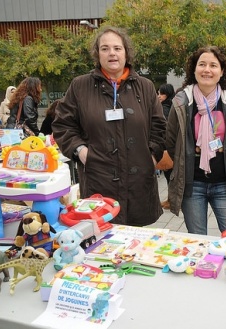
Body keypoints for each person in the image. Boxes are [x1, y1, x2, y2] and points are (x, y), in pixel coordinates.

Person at [52, 26, 166, 226]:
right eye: (105, 48)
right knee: (102, 241)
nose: (112, 53)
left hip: (138, 183)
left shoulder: (145, 87)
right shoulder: (80, 86)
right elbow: (63, 125)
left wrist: (152, 157)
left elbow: (159, 127)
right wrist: (81, 152)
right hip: (99, 178)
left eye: (117, 48)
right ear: (97, 54)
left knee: (136, 246)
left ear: (126, 52)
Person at [165, 46, 226, 235]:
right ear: (194, 70)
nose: (207, 70)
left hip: (224, 184)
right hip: (192, 185)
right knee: (197, 241)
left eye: (213, 65)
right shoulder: (181, 102)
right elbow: (171, 142)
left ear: (222, 71)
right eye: (202, 64)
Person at [158, 83, 176, 210]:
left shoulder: (164, 108)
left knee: (169, 174)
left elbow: (162, 128)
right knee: (170, 174)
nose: (159, 96)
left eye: (162, 93)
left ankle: (172, 200)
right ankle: (170, 199)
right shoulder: (172, 106)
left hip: (166, 145)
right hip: (172, 145)